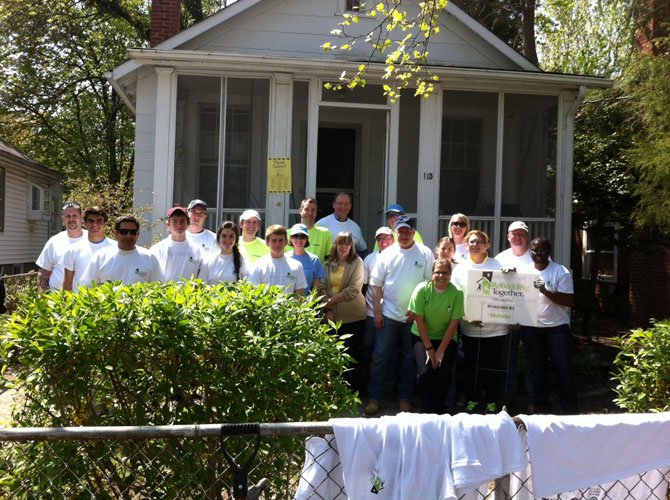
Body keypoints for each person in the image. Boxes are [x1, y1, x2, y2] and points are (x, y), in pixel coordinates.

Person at [365, 216, 434, 415]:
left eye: (407, 231)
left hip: (414, 317)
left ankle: (405, 398)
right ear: (396, 232)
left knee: (410, 358)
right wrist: (377, 312)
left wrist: (420, 312)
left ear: (413, 232)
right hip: (388, 315)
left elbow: (429, 285)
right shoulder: (387, 254)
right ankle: (374, 397)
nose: (403, 235)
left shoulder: (425, 253)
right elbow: (376, 285)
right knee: (380, 356)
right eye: (400, 231)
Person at [451, 230, 508, 410]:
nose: (475, 245)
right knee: (471, 366)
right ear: (466, 245)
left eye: (479, 242)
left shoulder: (498, 265)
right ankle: (473, 399)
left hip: (496, 328)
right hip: (470, 327)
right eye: (472, 242)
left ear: (487, 245)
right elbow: (455, 297)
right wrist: (468, 319)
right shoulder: (460, 268)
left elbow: (507, 293)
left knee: (492, 366)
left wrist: (510, 276)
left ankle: (491, 401)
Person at [521, 236, 578, 414]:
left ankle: (570, 411)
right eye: (535, 250)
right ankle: (542, 410)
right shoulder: (525, 271)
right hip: (532, 328)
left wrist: (545, 290)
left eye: (542, 250)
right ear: (530, 252)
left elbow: (568, 300)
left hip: (556, 329)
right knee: (537, 371)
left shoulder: (561, 272)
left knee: (563, 370)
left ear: (549, 251)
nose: (538, 254)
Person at [408, 259, 464, 413]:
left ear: (450, 275)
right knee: (425, 371)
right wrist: (429, 349)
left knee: (443, 371)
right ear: (431, 274)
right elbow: (419, 321)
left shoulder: (457, 293)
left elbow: (453, 325)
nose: (441, 275)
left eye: (444, 272)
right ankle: (425, 408)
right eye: (437, 272)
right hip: (422, 336)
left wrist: (440, 351)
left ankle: (439, 410)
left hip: (446, 338)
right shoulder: (421, 290)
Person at [321, 231, 367, 392]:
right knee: (332, 354)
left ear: (352, 246)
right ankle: (333, 390)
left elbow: (353, 290)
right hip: (331, 315)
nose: (344, 246)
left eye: (347, 243)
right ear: (336, 245)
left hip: (352, 316)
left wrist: (329, 302)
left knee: (351, 354)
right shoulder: (327, 263)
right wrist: (327, 309)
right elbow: (321, 286)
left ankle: (350, 392)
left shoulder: (357, 262)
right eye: (341, 243)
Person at [494, 220, 533, 405]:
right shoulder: (500, 258)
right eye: (514, 234)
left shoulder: (538, 256)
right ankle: (510, 398)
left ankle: (533, 399)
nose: (518, 237)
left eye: (521, 234)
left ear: (527, 236)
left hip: (532, 318)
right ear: (508, 237)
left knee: (533, 359)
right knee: (506, 359)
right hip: (507, 317)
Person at [79, 214, 163, 285]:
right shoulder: (100, 257)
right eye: (124, 231)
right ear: (115, 234)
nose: (128, 236)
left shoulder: (150, 258)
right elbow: (86, 287)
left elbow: (159, 288)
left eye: (133, 232)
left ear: (138, 234)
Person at [362, 227, 395, 393]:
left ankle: (388, 388)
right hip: (370, 312)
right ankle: (368, 388)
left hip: (391, 313)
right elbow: (365, 286)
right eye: (379, 239)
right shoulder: (369, 259)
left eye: (387, 238)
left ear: (393, 239)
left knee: (388, 351)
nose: (383, 241)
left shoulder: (398, 256)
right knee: (369, 348)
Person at [36, 201, 87, 291]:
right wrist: (45, 298)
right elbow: (43, 273)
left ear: (81, 218)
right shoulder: (54, 241)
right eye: (67, 216)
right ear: (63, 219)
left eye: (74, 215)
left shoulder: (92, 239)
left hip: (85, 300)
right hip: (58, 300)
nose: (71, 219)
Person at [62, 206, 115, 292]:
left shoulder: (115, 248)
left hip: (107, 302)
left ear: (105, 224)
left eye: (99, 221)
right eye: (91, 221)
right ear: (85, 223)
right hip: (80, 302)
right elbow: (67, 283)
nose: (95, 224)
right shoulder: (73, 249)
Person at [249, 225, 307, 296]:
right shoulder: (258, 266)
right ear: (267, 242)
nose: (277, 244)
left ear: (286, 242)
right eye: (274, 241)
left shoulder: (297, 265)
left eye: (281, 240)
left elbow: (300, 294)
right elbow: (254, 293)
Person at [151, 206, 203, 282]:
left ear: (188, 224)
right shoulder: (157, 249)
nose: (179, 225)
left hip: (189, 293)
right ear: (168, 225)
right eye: (174, 221)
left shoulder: (198, 250)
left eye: (182, 221)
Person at [290, 197, 332, 262]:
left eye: (313, 210)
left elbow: (329, 259)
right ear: (300, 211)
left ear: (316, 212)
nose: (310, 213)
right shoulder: (289, 233)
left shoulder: (325, 233)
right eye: (306, 209)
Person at [287, 223, 325, 294]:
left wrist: (308, 302)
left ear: (307, 239)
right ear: (291, 238)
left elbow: (315, 289)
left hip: (305, 304)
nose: (299, 239)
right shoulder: (284, 258)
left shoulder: (314, 260)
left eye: (302, 236)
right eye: (295, 236)